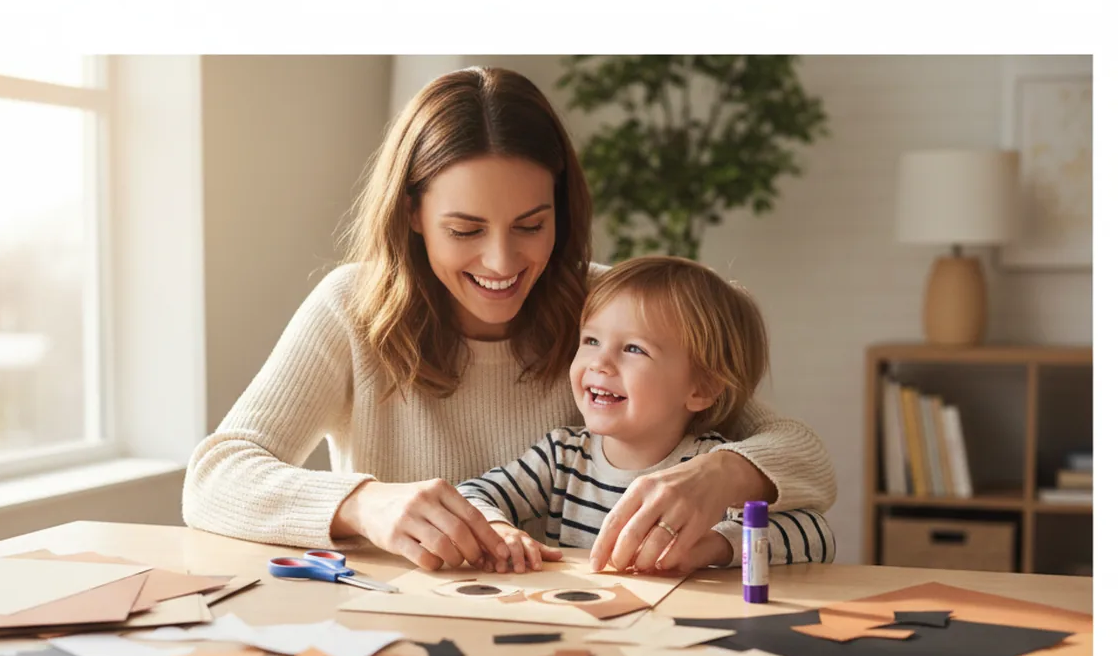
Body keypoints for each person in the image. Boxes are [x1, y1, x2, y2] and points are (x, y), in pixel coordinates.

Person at [182, 66, 837, 573]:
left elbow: (804, 458)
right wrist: (364, 503)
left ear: (562, 207)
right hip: (404, 621)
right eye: (465, 229)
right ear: (411, 213)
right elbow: (214, 479)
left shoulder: (609, 311)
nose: (502, 262)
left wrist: (723, 474)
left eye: (532, 225)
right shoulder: (351, 308)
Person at [457, 255, 835, 575]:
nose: (600, 363)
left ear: (701, 388)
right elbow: (471, 494)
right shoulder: (561, 457)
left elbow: (818, 536)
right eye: (591, 340)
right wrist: (496, 527)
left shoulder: (706, 469)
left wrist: (717, 546)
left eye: (634, 349)